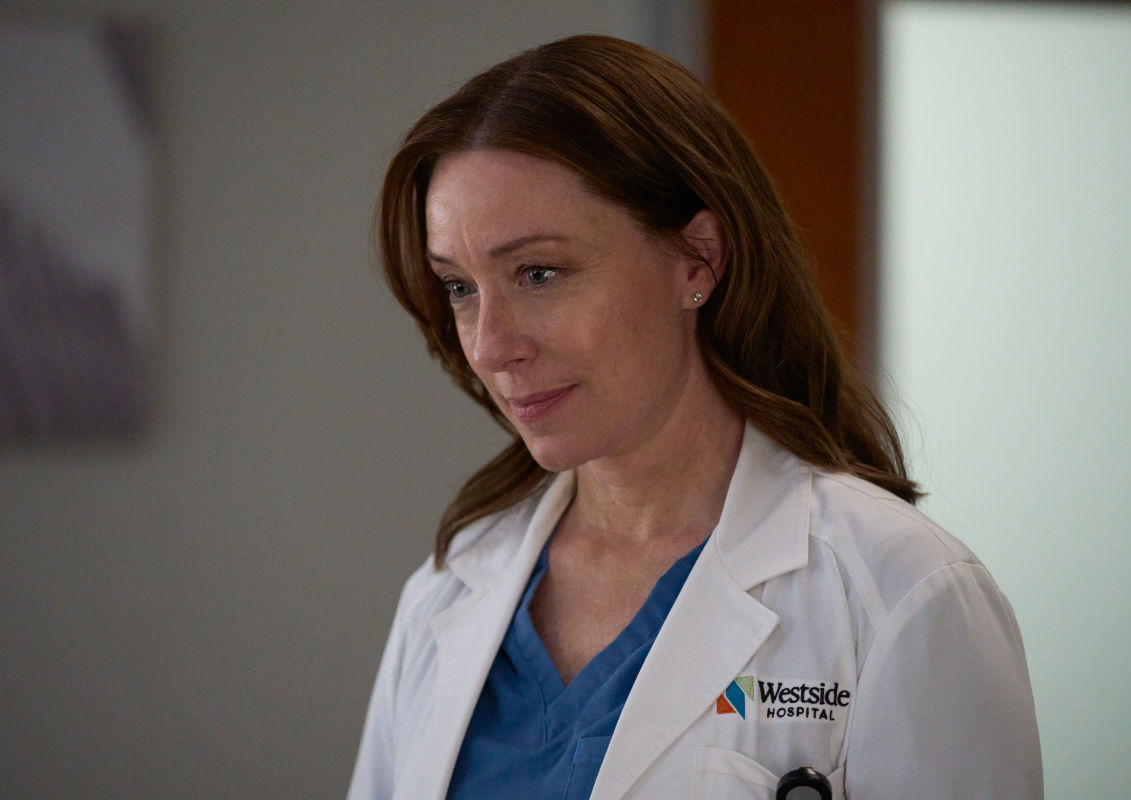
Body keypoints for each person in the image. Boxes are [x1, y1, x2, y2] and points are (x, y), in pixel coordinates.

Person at [347, 35, 1042, 800]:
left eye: (537, 273)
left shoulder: (900, 591)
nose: (489, 346)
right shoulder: (447, 590)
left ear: (697, 259)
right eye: (459, 287)